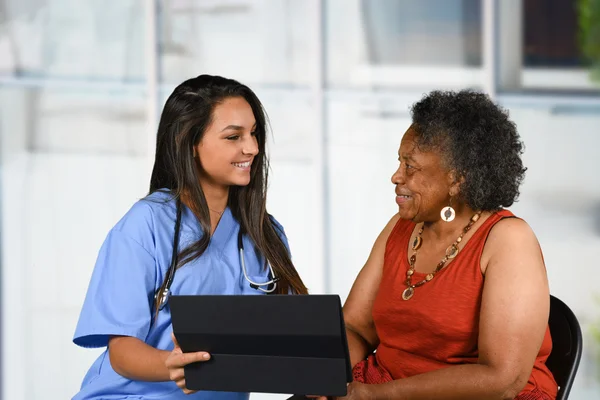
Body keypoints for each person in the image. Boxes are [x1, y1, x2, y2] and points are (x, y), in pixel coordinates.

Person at [72, 74, 308, 400]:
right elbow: (122, 351)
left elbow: (289, 338)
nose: (252, 148)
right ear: (190, 142)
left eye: (254, 133)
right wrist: (171, 364)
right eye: (233, 136)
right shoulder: (146, 225)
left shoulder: (265, 234)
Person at [325, 90, 557, 399]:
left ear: (457, 179)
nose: (396, 176)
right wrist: (327, 378)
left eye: (411, 167)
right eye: (399, 162)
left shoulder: (508, 241)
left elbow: (503, 379)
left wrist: (379, 395)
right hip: (381, 385)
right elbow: (355, 327)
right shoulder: (401, 226)